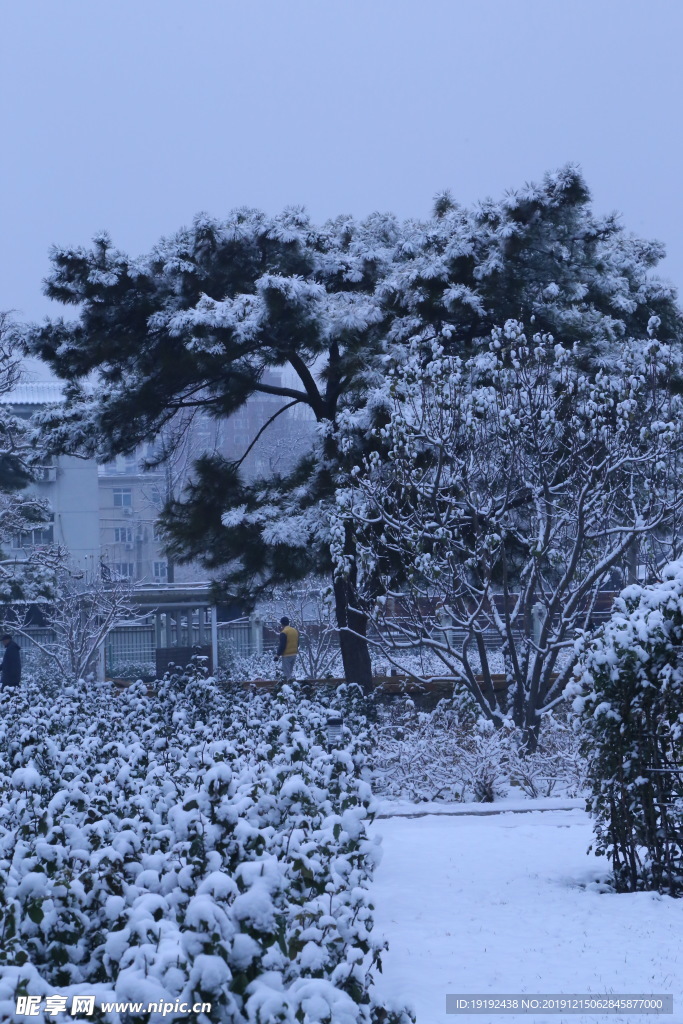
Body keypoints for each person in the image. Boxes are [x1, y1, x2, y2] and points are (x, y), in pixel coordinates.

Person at [274, 616, 299, 681]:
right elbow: (297, 642)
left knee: (287, 674)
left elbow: (282, 645)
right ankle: (292, 685)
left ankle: (288, 688)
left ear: (282, 624)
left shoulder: (284, 632)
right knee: (290, 672)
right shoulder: (294, 631)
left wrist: (277, 655)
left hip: (286, 655)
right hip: (294, 654)